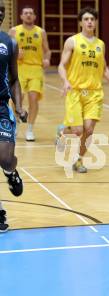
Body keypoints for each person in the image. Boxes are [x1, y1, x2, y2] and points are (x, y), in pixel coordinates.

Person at [57, 7, 109, 173]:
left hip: (94, 93)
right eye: (86, 19)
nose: (89, 22)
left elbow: (104, 68)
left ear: (95, 22)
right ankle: (62, 131)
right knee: (78, 130)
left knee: (89, 129)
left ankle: (78, 160)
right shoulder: (72, 41)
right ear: (81, 22)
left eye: (92, 19)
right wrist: (65, 81)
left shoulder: (101, 44)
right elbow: (61, 65)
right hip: (75, 91)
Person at [0, 0, 28, 232]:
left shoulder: (9, 42)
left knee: (5, 158)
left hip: (1, 106)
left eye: (2, 12)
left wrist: (19, 106)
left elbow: (15, 77)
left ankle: (11, 172)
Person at [9, 6, 51, 141]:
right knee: (17, 99)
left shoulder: (41, 32)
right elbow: (5, 50)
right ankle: (15, 125)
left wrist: (47, 59)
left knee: (33, 98)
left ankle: (30, 129)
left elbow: (47, 50)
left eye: (31, 13)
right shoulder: (14, 31)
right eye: (25, 13)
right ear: (21, 16)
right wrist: (14, 54)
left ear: (34, 17)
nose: (28, 15)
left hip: (35, 69)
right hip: (19, 69)